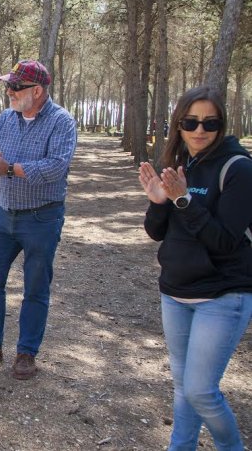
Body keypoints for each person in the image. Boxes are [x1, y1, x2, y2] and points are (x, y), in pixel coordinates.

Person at [138, 86, 252, 451]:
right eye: (191, 122)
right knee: (183, 386)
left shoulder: (240, 169)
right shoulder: (182, 165)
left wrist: (183, 200)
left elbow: (224, 241)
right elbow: (157, 232)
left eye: (210, 122)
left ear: (222, 125)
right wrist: (159, 202)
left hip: (222, 295)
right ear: (179, 125)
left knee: (201, 390)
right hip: (175, 293)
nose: (199, 130)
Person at [0, 59, 77, 380]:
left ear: (37, 91)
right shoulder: (7, 117)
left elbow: (55, 168)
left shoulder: (61, 122)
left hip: (42, 219)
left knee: (36, 286)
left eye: (15, 87)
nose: (9, 92)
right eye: (8, 86)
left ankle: (26, 353)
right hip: (2, 216)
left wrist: (8, 169)